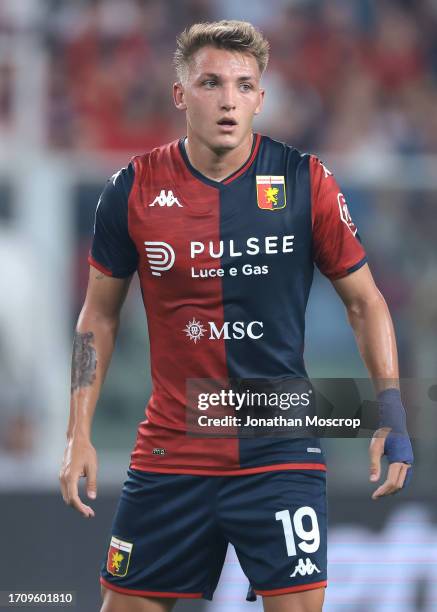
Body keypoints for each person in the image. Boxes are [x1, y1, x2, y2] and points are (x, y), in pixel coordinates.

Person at [59, 20, 413, 612]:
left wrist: (393, 413)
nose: (228, 100)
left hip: (279, 452)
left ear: (261, 98)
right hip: (172, 452)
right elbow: (97, 316)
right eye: (210, 83)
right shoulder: (133, 189)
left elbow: (366, 302)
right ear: (180, 94)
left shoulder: (305, 182)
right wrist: (77, 434)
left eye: (244, 85)